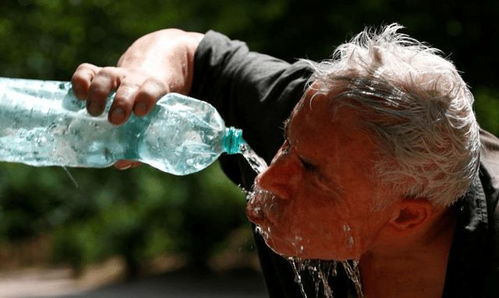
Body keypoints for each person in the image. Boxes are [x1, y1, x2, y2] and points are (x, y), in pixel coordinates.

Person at [71, 24, 499, 298]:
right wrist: (143, 79)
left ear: (406, 215)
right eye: (285, 143)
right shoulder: (325, 116)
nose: (268, 177)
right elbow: (189, 52)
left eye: (311, 171)